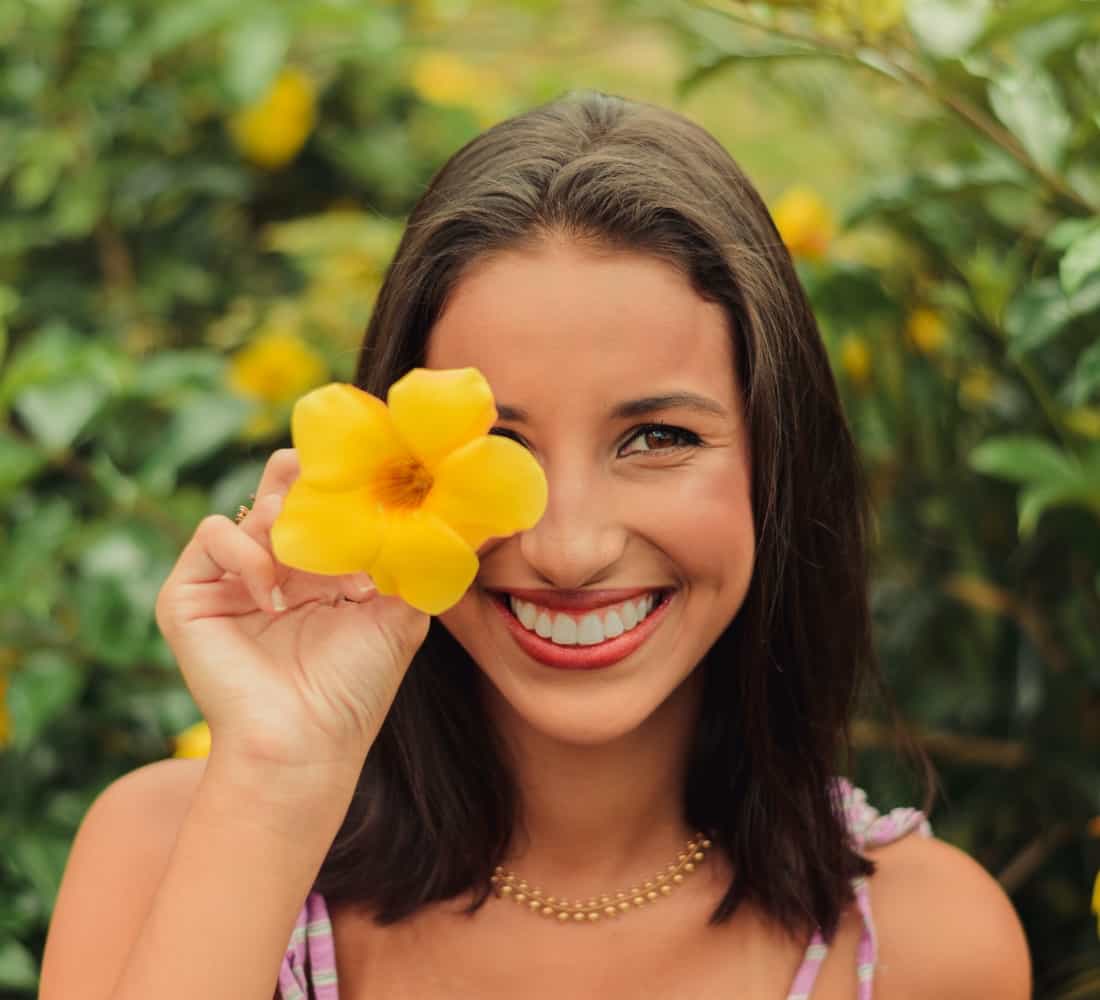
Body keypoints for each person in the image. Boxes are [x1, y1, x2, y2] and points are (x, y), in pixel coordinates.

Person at [39, 90, 1030, 1000]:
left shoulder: (921, 943)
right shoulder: (169, 848)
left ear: (777, 465)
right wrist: (276, 778)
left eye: (657, 439)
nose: (567, 547)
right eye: (497, 446)